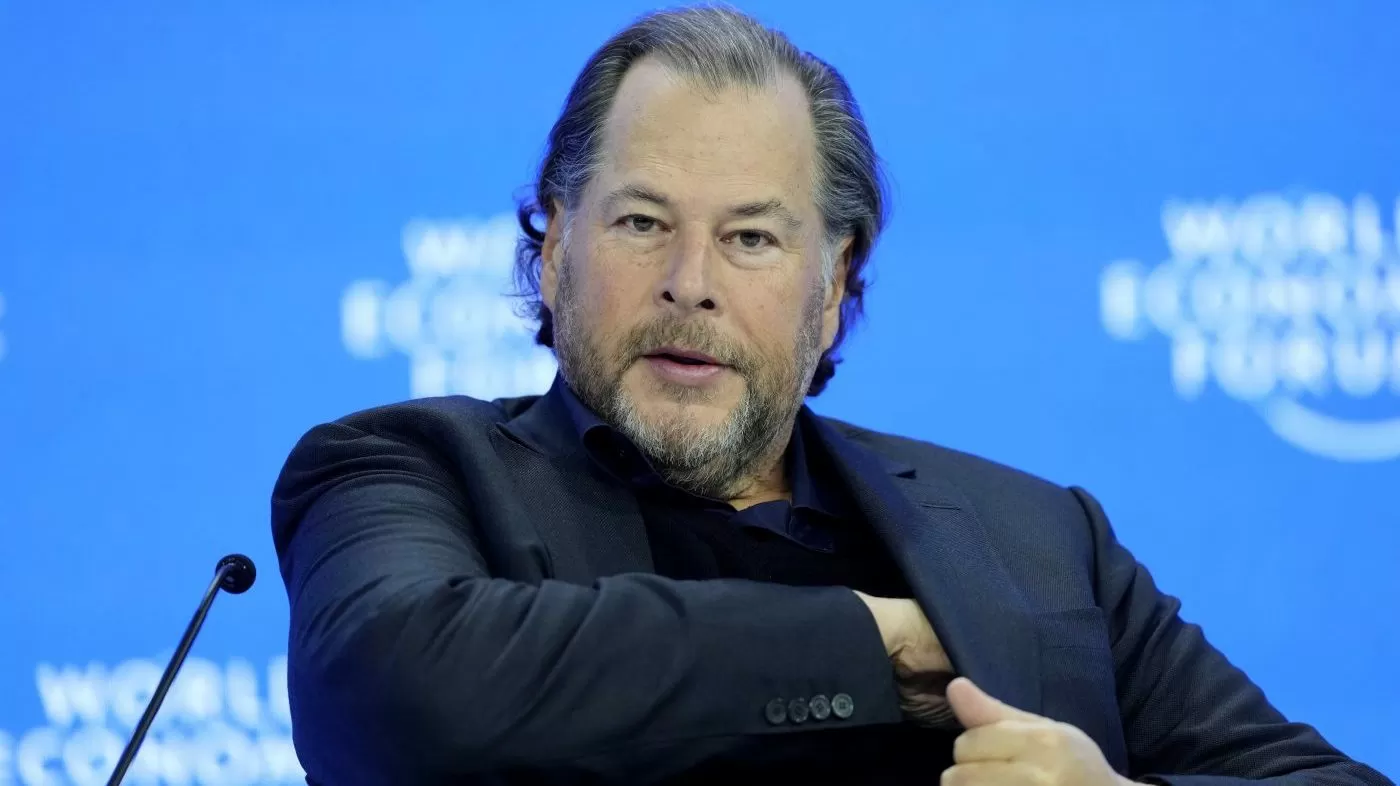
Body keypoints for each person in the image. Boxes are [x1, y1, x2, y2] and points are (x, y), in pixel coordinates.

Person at [270, 7, 1392, 786]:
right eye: (641, 222)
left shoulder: (1035, 539)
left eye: (751, 237)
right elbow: (393, 697)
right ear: (555, 245)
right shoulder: (409, 469)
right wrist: (873, 644)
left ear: (834, 285)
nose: (690, 282)